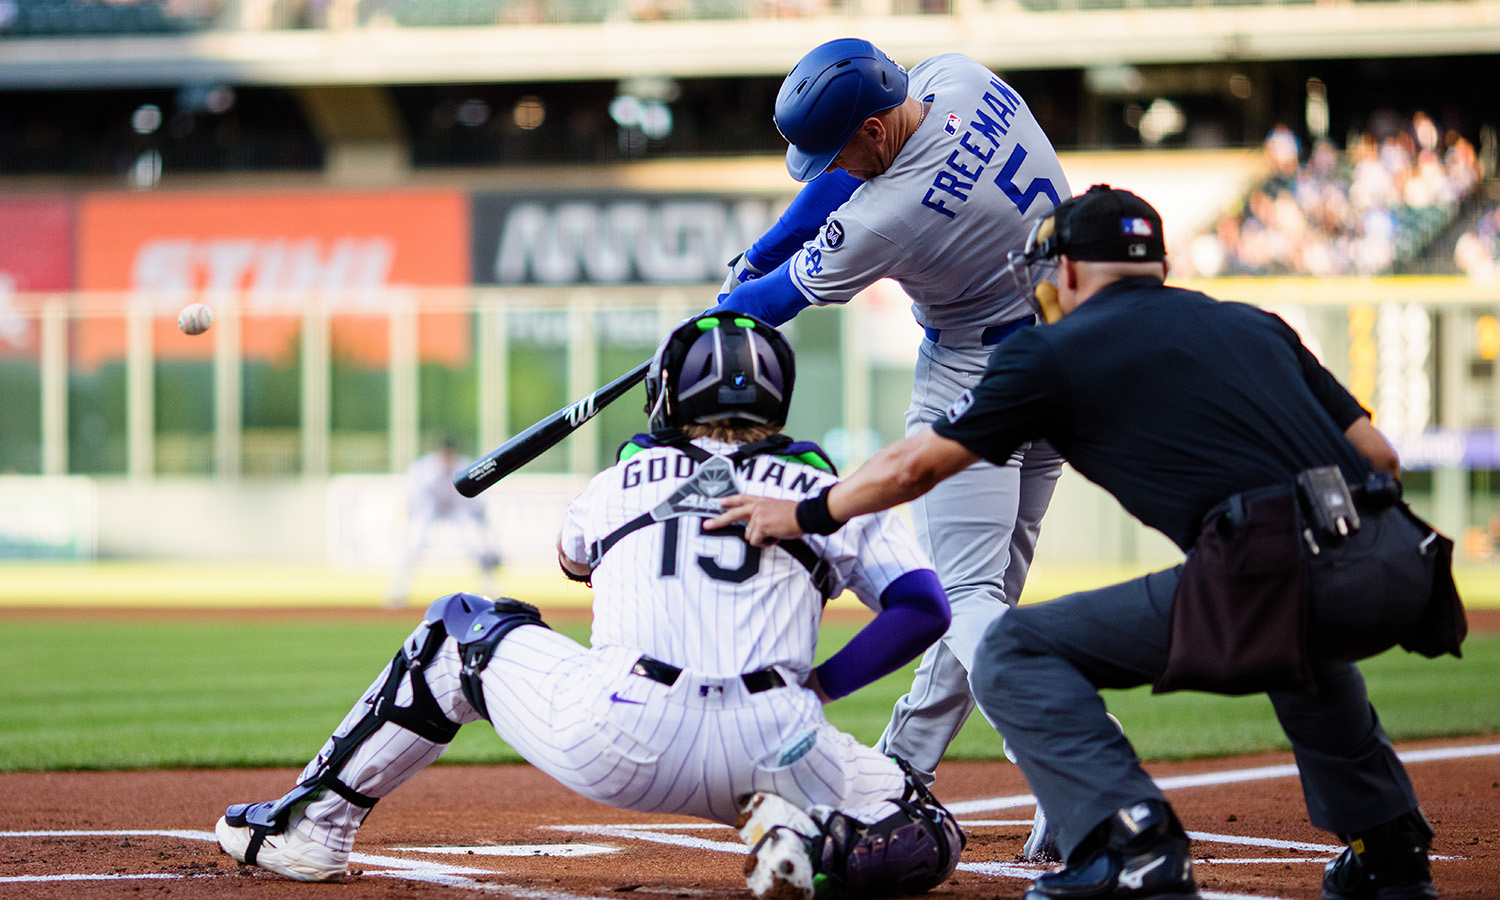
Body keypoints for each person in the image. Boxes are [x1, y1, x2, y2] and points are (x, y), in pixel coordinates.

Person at [709, 186, 1466, 900]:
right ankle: (1388, 848)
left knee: (1012, 648)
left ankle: (1129, 841)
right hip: (1404, 558)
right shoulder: (1253, 321)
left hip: (1273, 559)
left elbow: (917, 466)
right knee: (1300, 647)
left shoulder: (1054, 351)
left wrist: (804, 512)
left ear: (1067, 269)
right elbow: (1378, 453)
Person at [214, 314, 966, 900]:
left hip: (618, 738)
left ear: (669, 395)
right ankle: (807, 849)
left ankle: (313, 827)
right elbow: (925, 610)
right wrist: (822, 687)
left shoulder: (620, 481)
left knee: (456, 629)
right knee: (931, 833)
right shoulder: (827, 490)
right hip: (779, 745)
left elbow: (573, 562)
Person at [711, 37, 1072, 854]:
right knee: (982, 593)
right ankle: (905, 765)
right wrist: (762, 247)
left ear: (873, 129)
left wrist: (717, 309)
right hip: (1063, 351)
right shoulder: (955, 75)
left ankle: (1072, 764)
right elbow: (837, 184)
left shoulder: (890, 214)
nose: (822, 166)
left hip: (979, 372)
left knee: (969, 593)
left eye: (835, 146)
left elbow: (769, 307)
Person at [384, 437, 502, 609]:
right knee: (414, 544)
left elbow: (475, 498)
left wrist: (481, 521)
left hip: (458, 507)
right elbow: (415, 496)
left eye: (451, 453)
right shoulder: (425, 467)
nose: (448, 457)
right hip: (429, 507)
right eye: (445, 453)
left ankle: (491, 591)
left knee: (474, 545)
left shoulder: (464, 465)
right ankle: (398, 592)